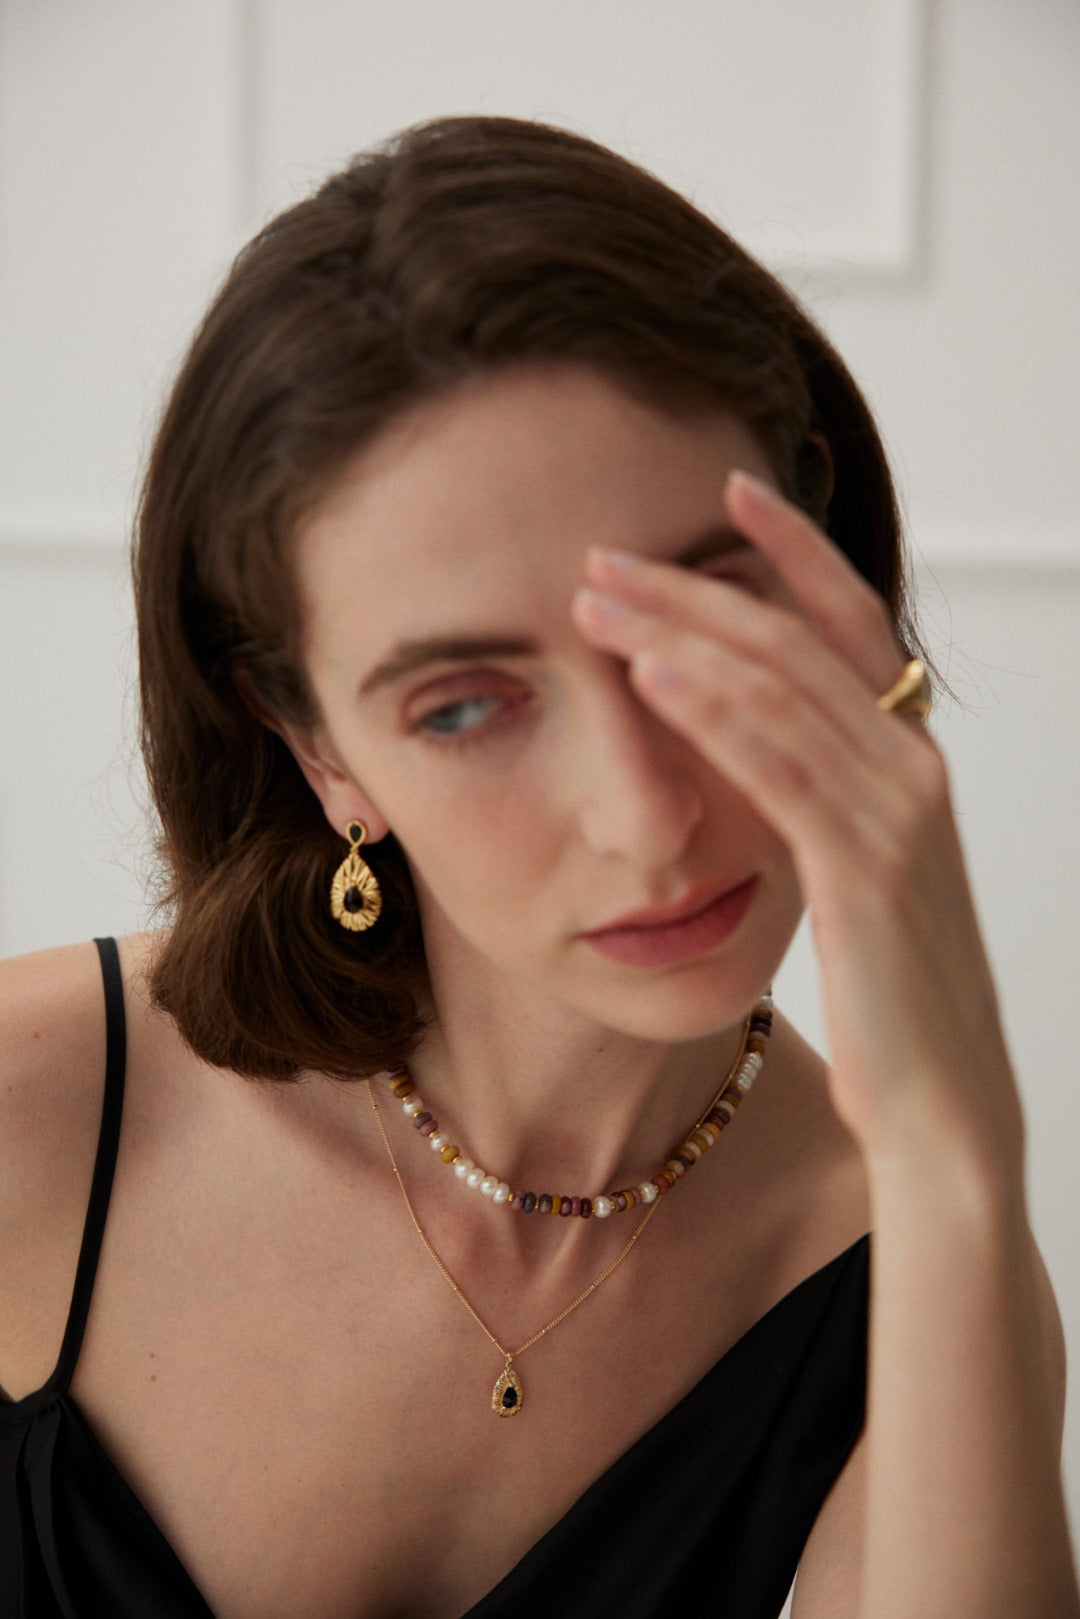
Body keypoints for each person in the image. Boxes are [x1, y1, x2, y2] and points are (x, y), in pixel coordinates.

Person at [0, 114, 1076, 1619]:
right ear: (317, 749)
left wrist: (958, 1146)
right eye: (463, 707)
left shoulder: (915, 1273)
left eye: (695, 626)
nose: (646, 816)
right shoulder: (25, 1113)